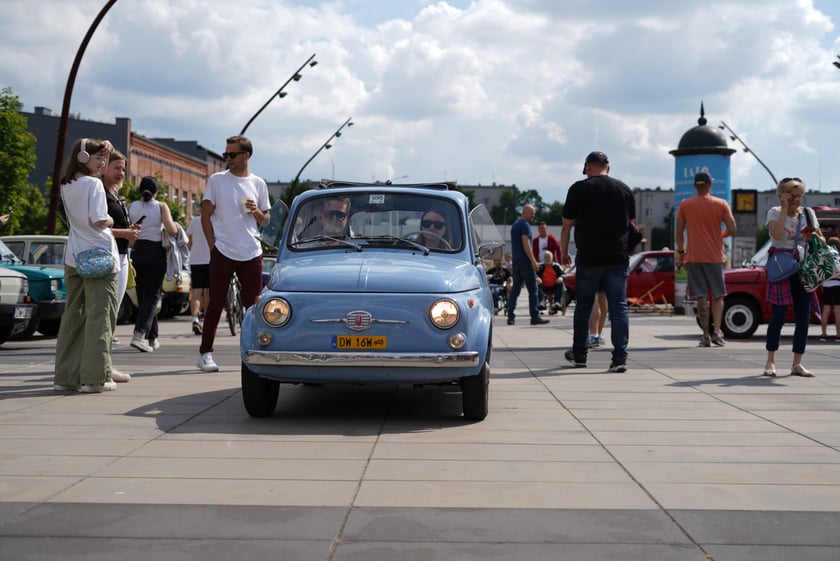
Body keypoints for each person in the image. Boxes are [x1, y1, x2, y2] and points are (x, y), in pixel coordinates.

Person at [53, 138, 121, 393]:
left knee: (73, 314)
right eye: (98, 158)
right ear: (83, 159)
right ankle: (96, 377)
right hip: (99, 256)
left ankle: (65, 376)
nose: (103, 162)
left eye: (104, 158)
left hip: (73, 255)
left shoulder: (66, 184)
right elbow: (99, 220)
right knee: (100, 315)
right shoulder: (93, 184)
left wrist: (105, 148)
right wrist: (111, 220)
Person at [198, 135, 270, 372]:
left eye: (232, 154)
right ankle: (206, 353)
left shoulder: (258, 183)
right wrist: (212, 246)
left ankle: (256, 351)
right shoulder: (217, 180)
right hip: (224, 250)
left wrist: (257, 211)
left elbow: (266, 220)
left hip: (251, 251)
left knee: (254, 307)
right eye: (225, 154)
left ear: (246, 155)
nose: (227, 158)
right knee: (216, 303)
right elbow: (205, 215)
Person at [560, 151, 635, 372]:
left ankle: (580, 354)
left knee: (583, 306)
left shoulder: (579, 189)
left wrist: (564, 252)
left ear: (588, 167)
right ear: (607, 167)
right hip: (617, 257)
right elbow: (632, 225)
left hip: (589, 258)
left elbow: (566, 225)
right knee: (619, 307)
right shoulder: (624, 189)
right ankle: (619, 358)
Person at [762, 177, 821, 378]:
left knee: (803, 318)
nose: (797, 199)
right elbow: (777, 236)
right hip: (781, 267)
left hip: (803, 267)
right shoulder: (774, 212)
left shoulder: (809, 214)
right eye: (792, 195)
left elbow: (820, 239)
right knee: (778, 317)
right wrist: (784, 208)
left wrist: (813, 236)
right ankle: (770, 361)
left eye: (799, 195)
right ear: (781, 195)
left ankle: (797, 363)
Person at [675, 171, 737, 347]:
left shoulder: (685, 205)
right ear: (710, 185)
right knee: (718, 295)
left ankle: (705, 335)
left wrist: (681, 251)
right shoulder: (721, 204)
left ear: (695, 185)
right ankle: (717, 332)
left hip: (694, 257)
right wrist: (721, 234)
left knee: (701, 296)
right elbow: (733, 228)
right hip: (715, 257)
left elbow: (679, 232)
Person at [128, 176, 179, 353]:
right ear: (156, 192)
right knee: (152, 295)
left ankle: (153, 337)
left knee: (143, 296)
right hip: (156, 252)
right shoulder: (161, 206)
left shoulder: (132, 206)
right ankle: (139, 334)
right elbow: (172, 230)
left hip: (137, 251)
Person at [102, 150, 140, 369]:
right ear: (104, 167)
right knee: (107, 312)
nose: (121, 172)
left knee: (113, 312)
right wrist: (125, 233)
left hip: (123, 256)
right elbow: (96, 228)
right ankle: (102, 364)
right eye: (116, 167)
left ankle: (105, 362)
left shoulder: (115, 195)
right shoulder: (102, 195)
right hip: (109, 257)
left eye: (123, 169)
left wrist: (130, 258)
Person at [507, 204, 549, 326]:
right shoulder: (525, 226)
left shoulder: (515, 225)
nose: (533, 215)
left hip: (516, 262)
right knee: (533, 290)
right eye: (532, 213)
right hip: (525, 262)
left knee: (515, 290)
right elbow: (526, 244)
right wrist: (534, 261)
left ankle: (510, 316)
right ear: (524, 212)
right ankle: (534, 316)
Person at [186, 214, 210, 335]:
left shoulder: (194, 221)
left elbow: (188, 239)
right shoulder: (215, 220)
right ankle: (207, 322)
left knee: (196, 292)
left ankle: (195, 320)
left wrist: (193, 248)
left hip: (195, 260)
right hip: (211, 260)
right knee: (208, 292)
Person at [819, 237, 840, 342]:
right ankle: (838, 335)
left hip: (826, 286)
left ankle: (823, 334)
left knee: (826, 310)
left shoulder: (824, 257)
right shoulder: (839, 257)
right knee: (837, 311)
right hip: (838, 286)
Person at [536, 250, 565, 315]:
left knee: (560, 283)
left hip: (554, 286)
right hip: (544, 287)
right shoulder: (540, 266)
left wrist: (561, 277)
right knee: (537, 284)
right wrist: (537, 277)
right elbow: (535, 274)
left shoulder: (556, 266)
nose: (547, 259)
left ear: (552, 258)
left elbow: (563, 274)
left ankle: (557, 302)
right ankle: (542, 302)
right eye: (545, 257)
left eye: (548, 257)